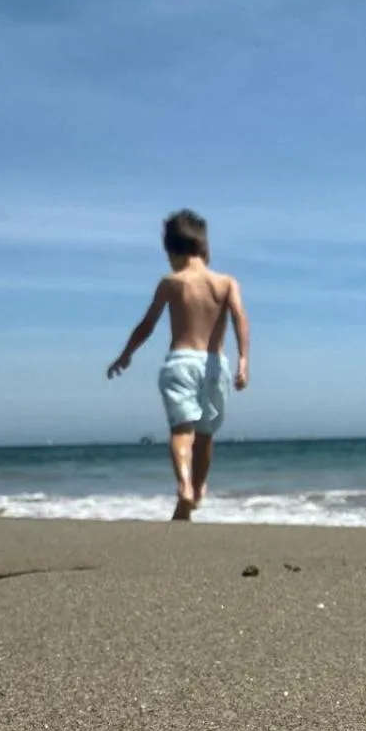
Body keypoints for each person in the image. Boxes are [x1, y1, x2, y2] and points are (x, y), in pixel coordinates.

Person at [107, 209, 250, 521]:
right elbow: (240, 318)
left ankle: (184, 487)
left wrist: (126, 354)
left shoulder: (172, 282)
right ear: (204, 247)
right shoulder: (225, 283)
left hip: (181, 362)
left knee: (181, 432)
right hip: (215, 366)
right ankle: (197, 492)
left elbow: (147, 325)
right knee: (206, 435)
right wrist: (243, 360)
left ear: (171, 251)